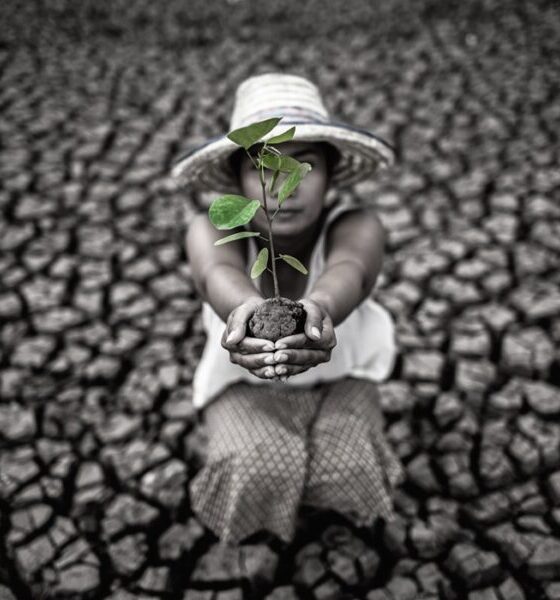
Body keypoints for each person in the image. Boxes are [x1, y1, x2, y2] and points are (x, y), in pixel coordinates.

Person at [172, 72, 406, 549]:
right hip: (245, 383)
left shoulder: (356, 223)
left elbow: (351, 269)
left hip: (341, 376)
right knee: (257, 463)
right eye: (264, 166)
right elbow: (215, 273)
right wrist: (247, 310)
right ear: (238, 179)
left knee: (348, 463)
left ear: (331, 171)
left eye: (303, 164)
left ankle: (333, 528)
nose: (284, 185)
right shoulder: (214, 225)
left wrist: (318, 308)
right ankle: (261, 534)